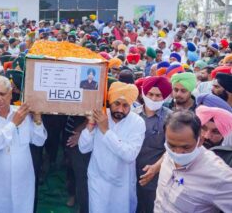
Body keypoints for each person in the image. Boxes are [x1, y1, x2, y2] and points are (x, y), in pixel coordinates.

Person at [0, 76, 47, 212]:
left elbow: (39, 141)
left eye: (2, 93)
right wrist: (14, 124)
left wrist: (37, 118)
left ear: (11, 94)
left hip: (23, 181)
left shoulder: (21, 113)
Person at [79, 81, 145, 213]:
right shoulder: (101, 116)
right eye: (117, 103)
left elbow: (129, 155)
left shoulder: (137, 122)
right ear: (110, 101)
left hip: (123, 184)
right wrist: (91, 125)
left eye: (125, 105)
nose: (120, 109)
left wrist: (106, 131)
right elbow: (83, 148)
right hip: (98, 180)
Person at [154, 111, 232, 212]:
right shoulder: (169, 152)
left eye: (186, 147)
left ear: (200, 141)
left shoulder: (218, 175)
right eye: (172, 146)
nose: (178, 153)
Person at [136, 77, 172, 213]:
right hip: (129, 173)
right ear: (143, 93)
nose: (153, 98)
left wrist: (155, 168)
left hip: (155, 176)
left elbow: (172, 148)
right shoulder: (133, 114)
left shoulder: (171, 118)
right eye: (150, 94)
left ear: (165, 97)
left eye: (158, 95)